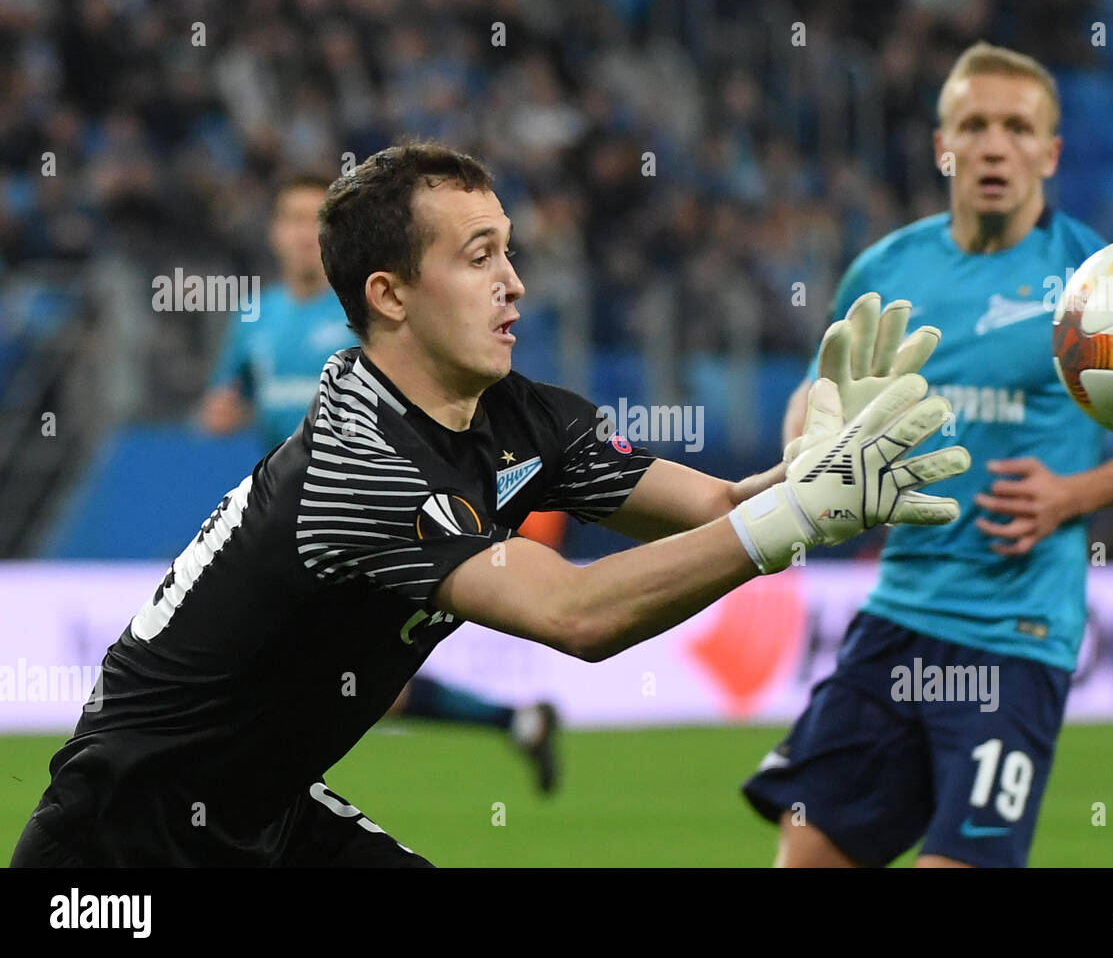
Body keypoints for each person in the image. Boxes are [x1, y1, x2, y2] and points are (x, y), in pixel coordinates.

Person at [10, 141, 968, 867]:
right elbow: (575, 614)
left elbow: (716, 504)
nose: (515, 283)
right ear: (390, 294)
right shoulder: (356, 459)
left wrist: (812, 472)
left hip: (262, 811)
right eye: (479, 257)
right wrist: (792, 519)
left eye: (510, 251)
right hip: (121, 848)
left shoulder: (520, 416)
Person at [742, 42, 1113, 868]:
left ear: (1050, 152)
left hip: (1014, 634)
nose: (994, 144)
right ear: (941, 147)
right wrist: (809, 450)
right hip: (897, 616)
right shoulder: (886, 265)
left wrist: (1074, 496)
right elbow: (818, 387)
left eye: (1017, 126)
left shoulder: (1099, 286)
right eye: (973, 124)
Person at [199, 172, 563, 793]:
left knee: (311, 672)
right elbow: (226, 399)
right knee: (345, 678)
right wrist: (223, 411)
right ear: (274, 232)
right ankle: (517, 720)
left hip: (373, 511)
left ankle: (237, 798)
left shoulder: (360, 316)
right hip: (290, 517)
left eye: (311, 222)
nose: (298, 235)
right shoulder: (254, 318)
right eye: (288, 219)